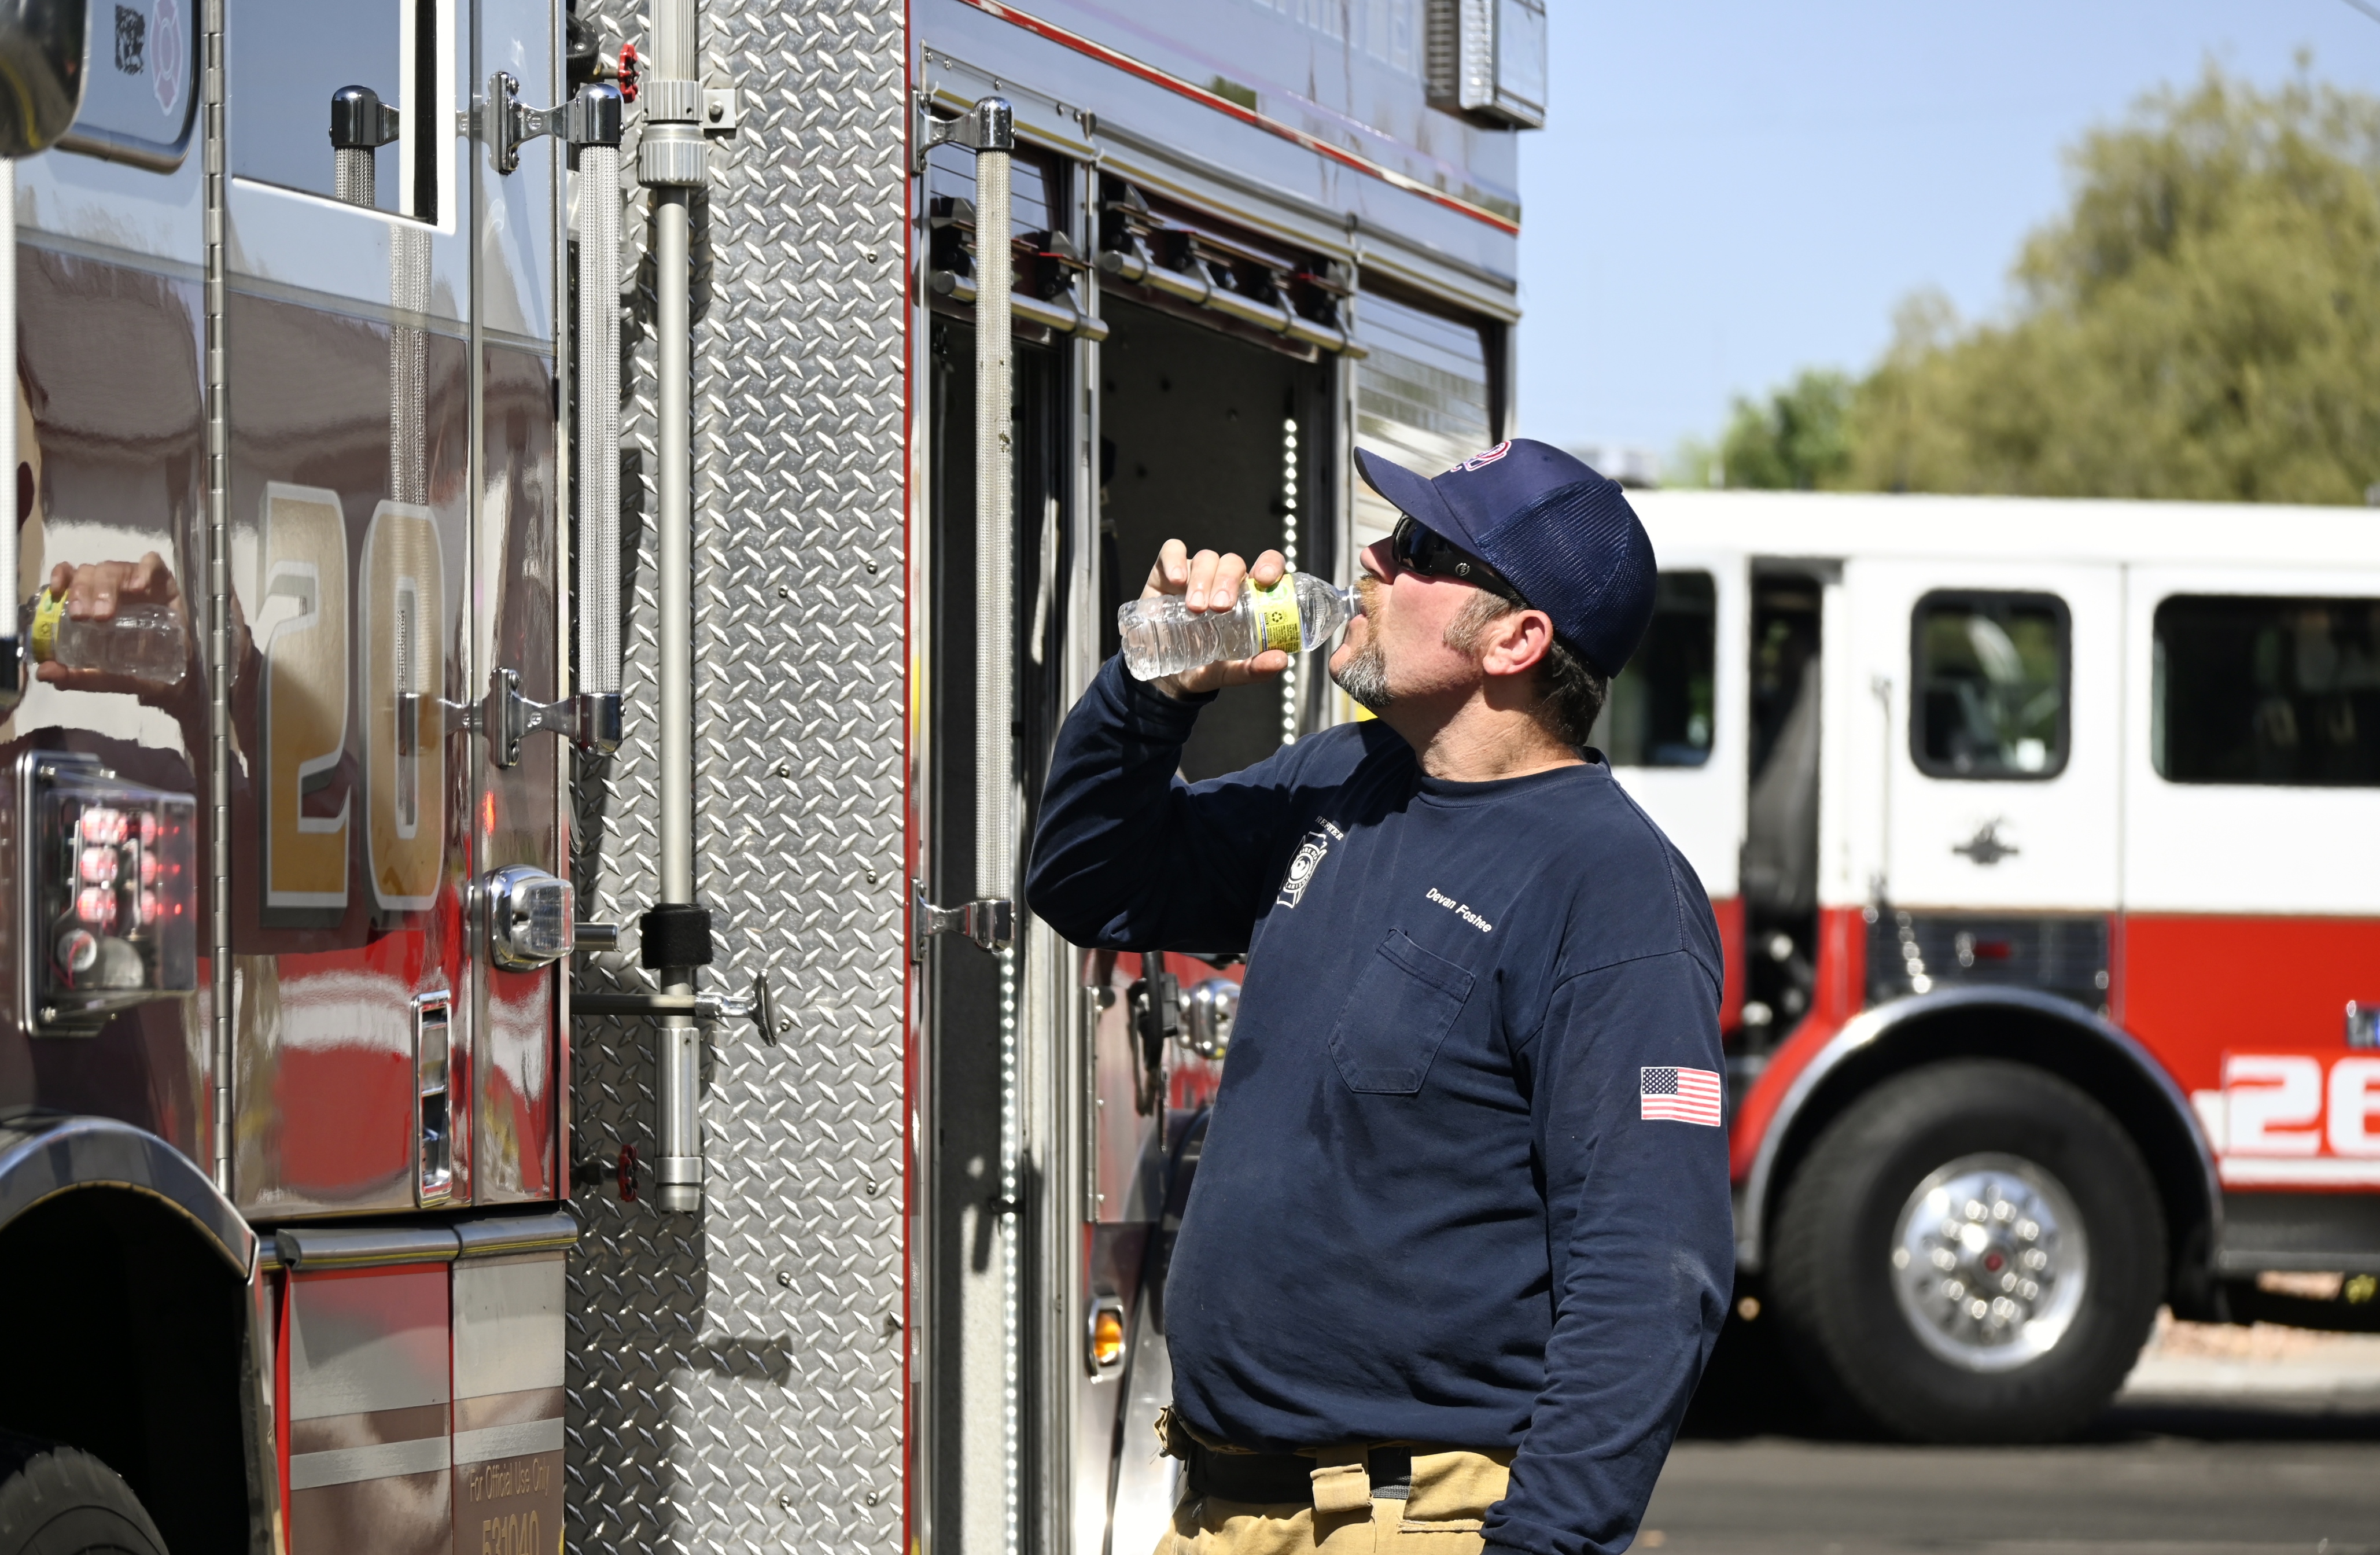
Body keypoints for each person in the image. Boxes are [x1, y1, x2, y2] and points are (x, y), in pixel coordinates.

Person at [1026, 439, 1734, 1555]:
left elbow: (1650, 1270)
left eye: (1418, 549)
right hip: (1223, 1511)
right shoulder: (1341, 780)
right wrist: (1151, 695)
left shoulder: (1613, 890)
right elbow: (1087, 882)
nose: (1371, 557)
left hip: (1411, 1518)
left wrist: (1544, 1542)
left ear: (1516, 639)